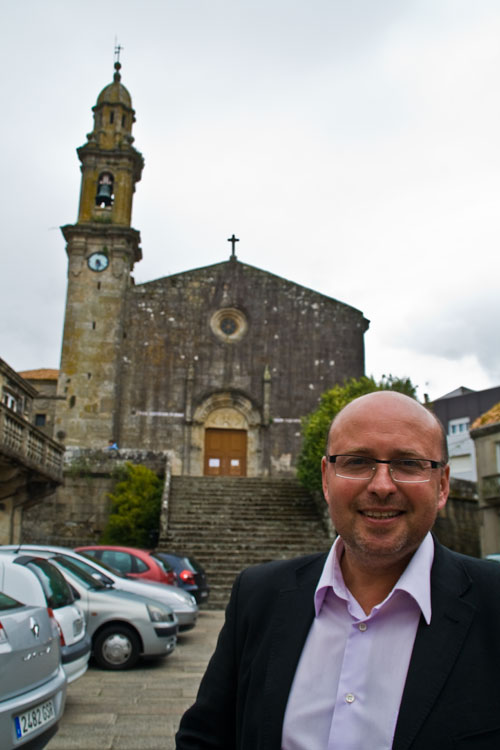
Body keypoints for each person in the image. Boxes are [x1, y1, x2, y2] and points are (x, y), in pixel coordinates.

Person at [176, 391, 500, 749]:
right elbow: (205, 738)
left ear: (442, 485)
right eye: (357, 461)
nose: (381, 486)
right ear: (326, 479)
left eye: (408, 463)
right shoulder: (258, 596)